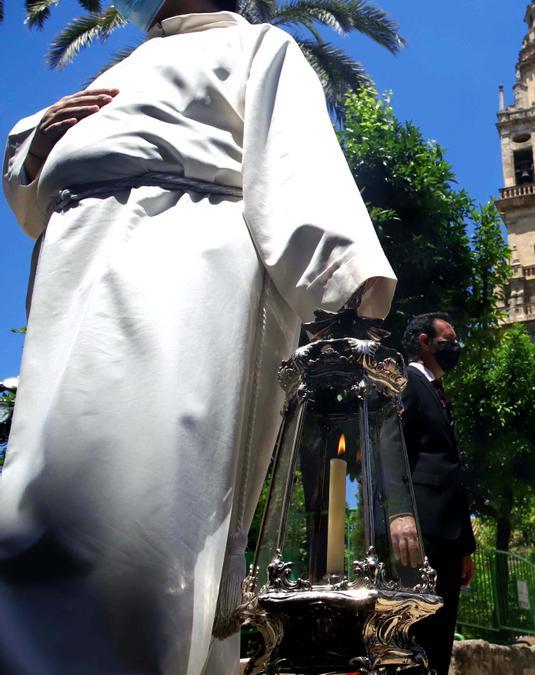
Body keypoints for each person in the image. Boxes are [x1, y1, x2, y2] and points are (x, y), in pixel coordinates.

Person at [0, 0, 398, 671]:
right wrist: (38, 150)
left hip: (181, 275)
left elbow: (295, 164)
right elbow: (28, 191)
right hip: (70, 283)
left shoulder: (260, 46)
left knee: (138, 519)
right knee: (36, 503)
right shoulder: (121, 67)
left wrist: (347, 298)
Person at [387, 312, 476, 675]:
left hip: (448, 540)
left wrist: (465, 547)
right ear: (425, 342)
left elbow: (449, 469)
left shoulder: (435, 391)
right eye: (449, 338)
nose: (455, 346)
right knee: (418, 638)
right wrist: (398, 512)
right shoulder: (407, 381)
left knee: (440, 640)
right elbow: (391, 445)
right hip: (420, 535)